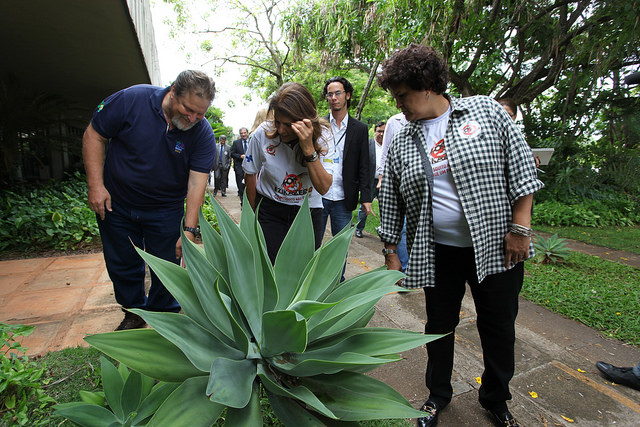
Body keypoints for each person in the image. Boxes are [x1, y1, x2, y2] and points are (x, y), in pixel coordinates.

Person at [376, 45, 543, 427]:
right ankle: (437, 396)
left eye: (402, 94)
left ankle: (495, 398)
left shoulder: (484, 111)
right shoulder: (401, 137)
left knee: (498, 326)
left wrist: (520, 229)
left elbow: (520, 171)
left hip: (497, 247)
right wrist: (390, 249)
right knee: (438, 326)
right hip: (439, 252)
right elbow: (392, 196)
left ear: (427, 85)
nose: (398, 103)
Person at [83, 70, 217, 330]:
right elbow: (95, 134)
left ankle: (163, 317)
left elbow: (197, 182)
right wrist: (96, 186)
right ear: (173, 90)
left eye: (200, 113)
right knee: (122, 262)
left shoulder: (201, 132)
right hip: (117, 205)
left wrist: (189, 230)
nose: (192, 118)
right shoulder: (132, 99)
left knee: (167, 265)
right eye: (188, 109)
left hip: (166, 210)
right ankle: (133, 312)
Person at [243, 83, 333, 263]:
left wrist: (308, 148)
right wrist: (250, 215)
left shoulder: (324, 136)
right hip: (270, 208)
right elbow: (250, 174)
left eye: (288, 125)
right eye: (277, 122)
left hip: (307, 212)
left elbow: (324, 187)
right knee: (268, 263)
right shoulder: (262, 134)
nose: (281, 130)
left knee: (303, 266)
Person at [320, 77, 372, 237]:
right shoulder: (319, 125)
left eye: (337, 93)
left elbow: (364, 165)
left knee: (339, 249)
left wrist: (366, 198)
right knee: (311, 246)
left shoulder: (360, 129)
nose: (333, 98)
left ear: (347, 95)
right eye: (329, 94)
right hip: (319, 195)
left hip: (344, 197)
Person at [354, 121, 385, 238]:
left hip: (384, 183)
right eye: (379, 131)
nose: (381, 134)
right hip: (370, 181)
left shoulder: (389, 144)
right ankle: (359, 228)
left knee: (385, 208)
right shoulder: (368, 144)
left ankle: (384, 231)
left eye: (384, 131)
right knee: (364, 206)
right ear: (375, 131)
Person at [231, 127, 250, 199]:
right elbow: (232, 154)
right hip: (239, 167)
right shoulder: (236, 143)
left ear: (247, 133)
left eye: (244, 133)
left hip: (250, 167)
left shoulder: (252, 141)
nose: (243, 134)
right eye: (241, 133)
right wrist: (240, 156)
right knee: (241, 185)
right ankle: (242, 201)